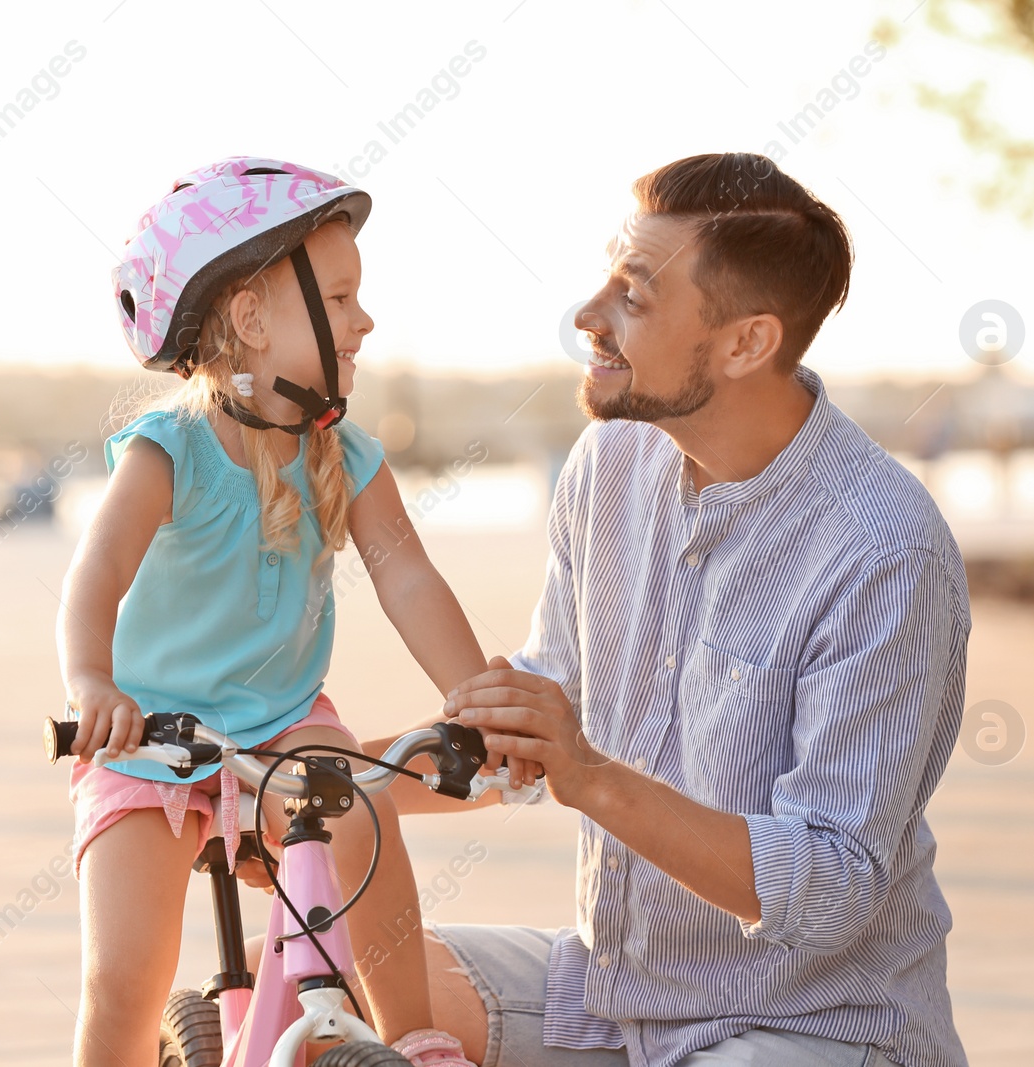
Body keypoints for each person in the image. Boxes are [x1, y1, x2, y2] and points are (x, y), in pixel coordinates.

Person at [377, 153, 971, 1067]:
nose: (587, 317)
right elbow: (540, 719)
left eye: (634, 298)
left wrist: (592, 774)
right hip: (615, 999)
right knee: (304, 982)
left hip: (812, 1025)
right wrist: (340, 789)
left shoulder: (884, 550)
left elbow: (834, 887)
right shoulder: (611, 464)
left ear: (744, 343)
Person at [56, 157, 506, 1067]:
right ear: (253, 319)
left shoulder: (350, 455)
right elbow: (96, 570)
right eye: (339, 298)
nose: (363, 319)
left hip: (285, 726)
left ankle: (414, 1037)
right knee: (125, 978)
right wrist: (92, 681)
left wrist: (473, 694)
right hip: (150, 734)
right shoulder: (168, 450)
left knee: (359, 817)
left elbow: (408, 578)